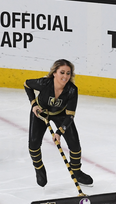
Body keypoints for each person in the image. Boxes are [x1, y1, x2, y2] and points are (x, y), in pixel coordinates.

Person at [23, 59, 93, 187]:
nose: (65, 76)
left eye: (68, 73)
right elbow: (27, 84)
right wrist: (33, 104)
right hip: (40, 113)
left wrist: (59, 132)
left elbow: (70, 116)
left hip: (61, 115)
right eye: (62, 72)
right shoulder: (44, 83)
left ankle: (76, 171)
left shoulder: (72, 90)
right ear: (54, 73)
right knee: (33, 144)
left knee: (75, 145)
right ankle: (39, 168)